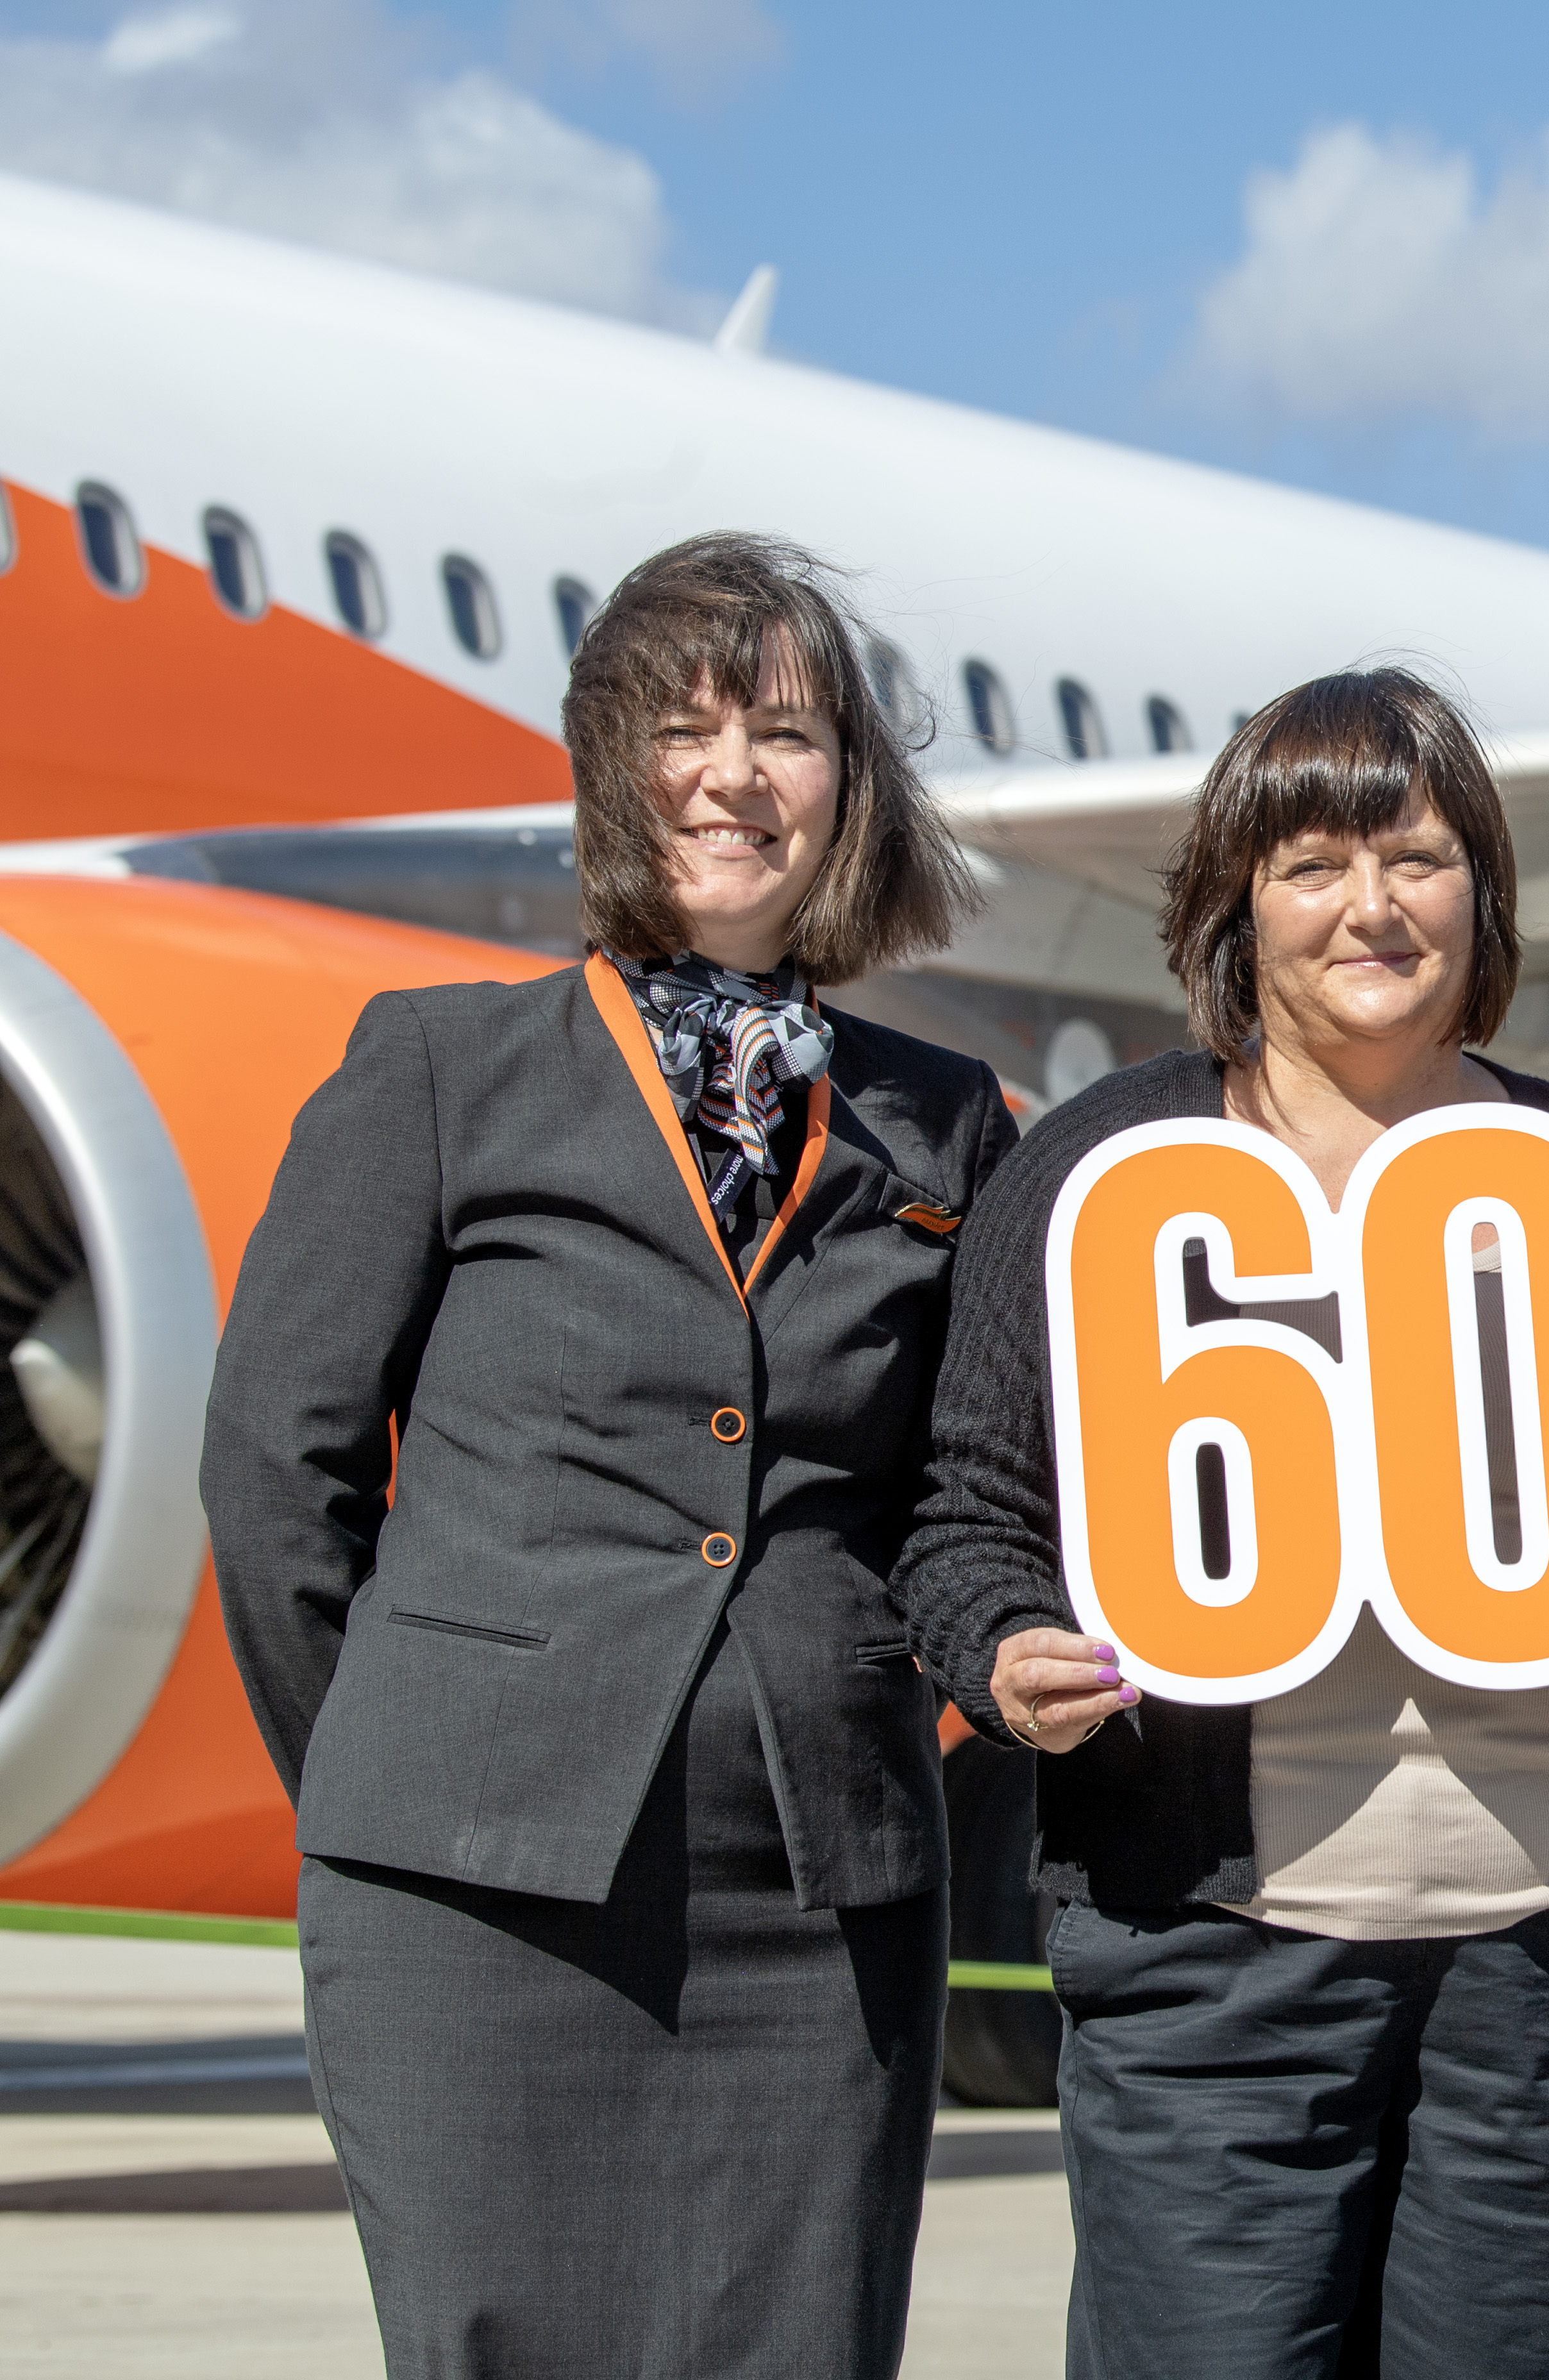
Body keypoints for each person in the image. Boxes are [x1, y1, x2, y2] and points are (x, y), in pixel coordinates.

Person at [891, 664, 1549, 2380]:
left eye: (1417, 857)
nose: (1370, 907)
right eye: (1312, 863)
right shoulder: (1099, 1175)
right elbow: (966, 1516)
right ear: (1238, 900)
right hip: (1207, 1964)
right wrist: (1006, 1652)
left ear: (1485, 894)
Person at [199, 533, 1007, 2378]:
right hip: (469, 1893)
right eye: (682, 728)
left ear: (851, 788)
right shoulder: (436, 1070)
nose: (735, 776)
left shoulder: (945, 1120)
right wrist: (401, 1766)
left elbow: (966, 1493)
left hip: (819, 1890)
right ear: (607, 769)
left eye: (787, 734)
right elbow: (273, 1472)